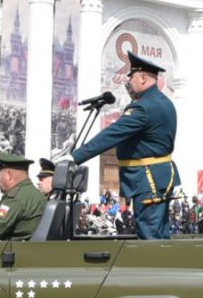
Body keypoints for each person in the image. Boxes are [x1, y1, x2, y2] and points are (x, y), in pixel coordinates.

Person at [70, 51, 179, 239]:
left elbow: (111, 135)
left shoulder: (142, 107)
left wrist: (74, 157)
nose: (128, 82)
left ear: (143, 78)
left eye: (132, 77)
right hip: (158, 177)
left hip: (147, 179)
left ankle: (155, 268)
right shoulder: (165, 103)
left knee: (149, 236)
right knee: (160, 235)